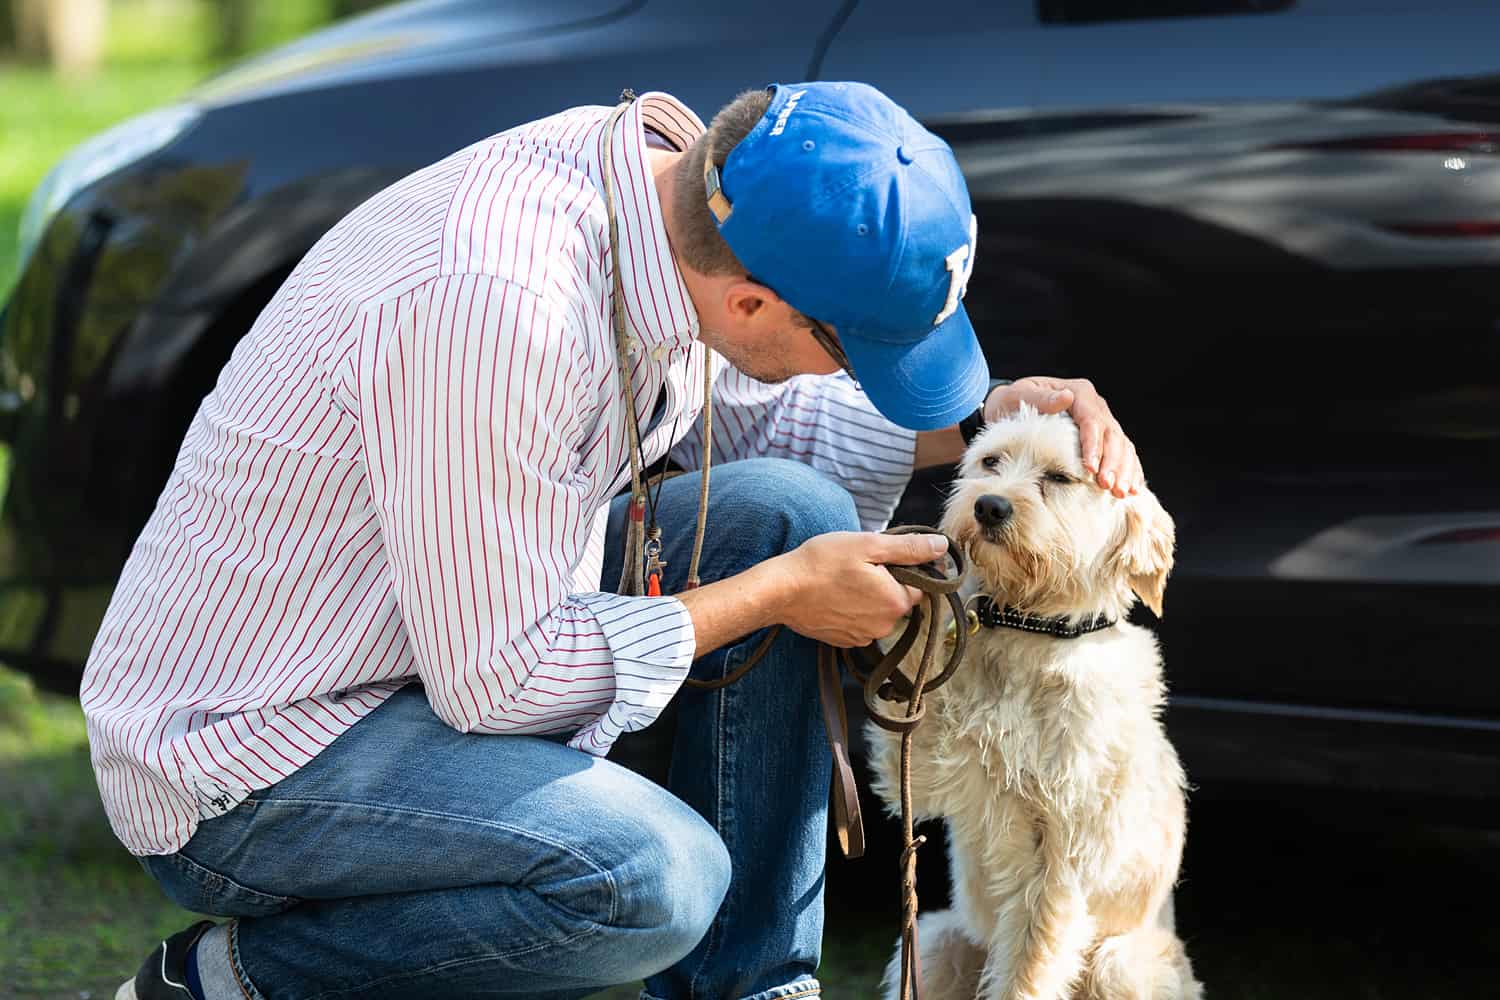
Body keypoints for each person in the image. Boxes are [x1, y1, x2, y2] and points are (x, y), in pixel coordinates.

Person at [86, 82, 1144, 1000]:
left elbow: (771, 414)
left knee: (791, 507)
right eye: (856, 354)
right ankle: (216, 984)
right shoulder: (504, 310)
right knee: (654, 877)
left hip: (412, 647)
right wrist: (778, 594)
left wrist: (998, 423)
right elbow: (499, 682)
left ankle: (758, 986)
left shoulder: (668, 199)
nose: (855, 381)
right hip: (254, 751)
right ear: (751, 299)